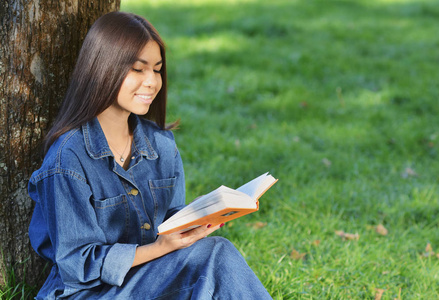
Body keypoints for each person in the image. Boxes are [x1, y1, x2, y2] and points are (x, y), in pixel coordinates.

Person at [28, 11, 272, 300]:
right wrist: (161, 248)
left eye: (156, 69)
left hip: (148, 279)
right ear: (103, 68)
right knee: (215, 256)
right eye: (138, 68)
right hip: (86, 293)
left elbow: (168, 220)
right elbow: (77, 264)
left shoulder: (161, 145)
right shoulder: (67, 159)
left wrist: (204, 216)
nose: (152, 82)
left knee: (211, 255)